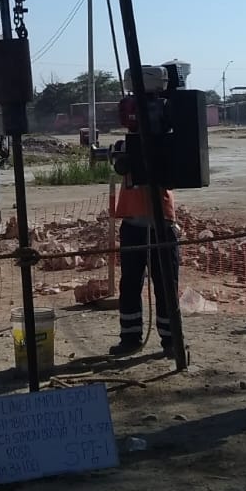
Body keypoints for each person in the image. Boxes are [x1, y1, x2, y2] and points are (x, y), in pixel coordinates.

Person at [108, 143, 181, 357]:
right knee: (130, 284)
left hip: (162, 224)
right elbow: (118, 163)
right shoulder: (125, 145)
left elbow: (174, 175)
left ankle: (172, 340)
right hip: (134, 224)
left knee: (166, 285)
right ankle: (130, 338)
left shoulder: (164, 144)